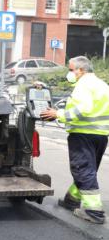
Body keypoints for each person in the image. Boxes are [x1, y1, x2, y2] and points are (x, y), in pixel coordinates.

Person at [41, 56, 109, 224]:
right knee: (88, 169)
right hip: (100, 135)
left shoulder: (84, 85)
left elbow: (83, 109)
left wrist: (58, 114)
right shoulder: (101, 85)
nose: (69, 73)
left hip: (83, 134)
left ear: (81, 70)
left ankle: (94, 211)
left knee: (83, 169)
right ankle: (71, 200)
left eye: (71, 70)